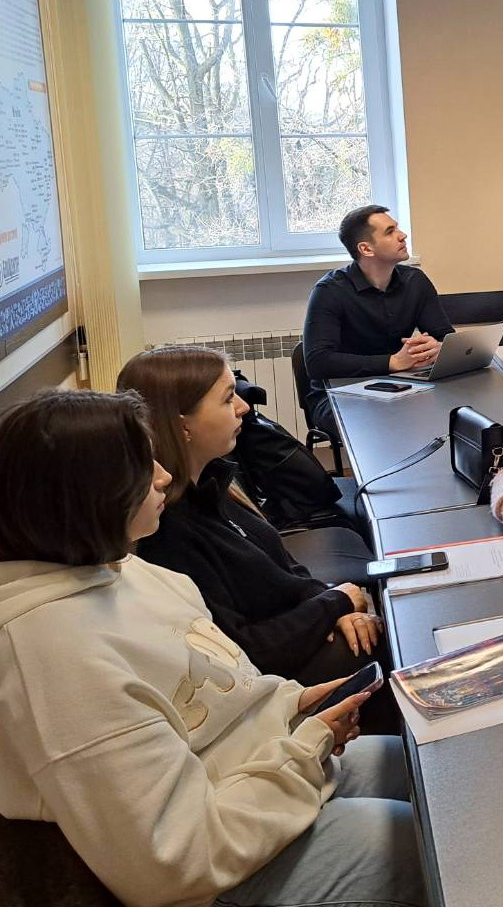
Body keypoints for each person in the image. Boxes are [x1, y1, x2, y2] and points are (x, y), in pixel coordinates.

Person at [0, 388, 425, 907]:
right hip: (217, 867)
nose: (163, 476)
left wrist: (293, 704)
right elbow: (178, 859)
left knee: (426, 765)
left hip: (261, 775)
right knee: (423, 842)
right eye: (142, 467)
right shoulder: (52, 657)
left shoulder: (126, 567)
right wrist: (307, 745)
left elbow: (220, 688)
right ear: (86, 494)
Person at [120, 347, 385, 690]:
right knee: (388, 646)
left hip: (298, 636)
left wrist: (332, 606)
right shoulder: (168, 531)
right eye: (228, 398)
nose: (243, 407)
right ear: (183, 425)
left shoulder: (217, 484)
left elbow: (287, 571)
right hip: (270, 682)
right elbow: (244, 653)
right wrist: (335, 604)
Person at [302, 203, 454, 435]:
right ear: (366, 249)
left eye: (397, 228)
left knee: (454, 411)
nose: (402, 236)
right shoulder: (329, 290)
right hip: (338, 394)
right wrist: (392, 362)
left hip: (401, 385)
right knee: (387, 424)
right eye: (390, 232)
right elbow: (318, 362)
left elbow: (445, 336)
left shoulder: (415, 281)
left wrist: (439, 348)